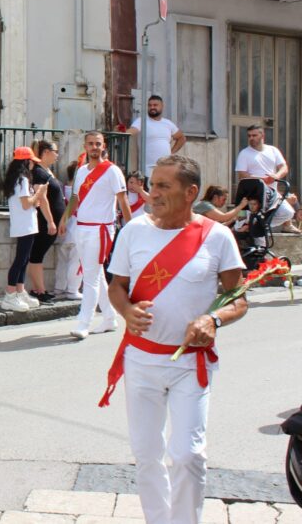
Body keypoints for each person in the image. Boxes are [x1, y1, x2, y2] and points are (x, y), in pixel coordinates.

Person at [103, 155, 246, 524]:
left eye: (164, 186)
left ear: (190, 192)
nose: (153, 194)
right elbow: (117, 286)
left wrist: (212, 318)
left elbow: (239, 299)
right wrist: (126, 311)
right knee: (148, 454)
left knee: (187, 454)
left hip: (190, 364)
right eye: (152, 184)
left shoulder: (217, 237)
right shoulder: (134, 230)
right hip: (141, 361)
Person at [59, 131, 133, 340]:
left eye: (97, 144)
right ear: (85, 146)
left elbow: (123, 199)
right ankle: (109, 318)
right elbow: (75, 198)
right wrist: (64, 218)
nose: (94, 147)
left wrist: (130, 227)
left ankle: (84, 323)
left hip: (101, 229)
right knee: (96, 273)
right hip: (81, 227)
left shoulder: (112, 171)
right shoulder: (82, 171)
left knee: (89, 277)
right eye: (90, 144)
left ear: (103, 146)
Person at [2, 147, 49, 312]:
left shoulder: (18, 179)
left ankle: (19, 291)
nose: (33, 166)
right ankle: (10, 294)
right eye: (31, 162)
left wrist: (35, 198)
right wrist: (40, 193)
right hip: (24, 224)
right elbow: (26, 203)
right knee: (20, 260)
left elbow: (27, 203)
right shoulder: (22, 180)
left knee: (23, 259)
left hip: (25, 223)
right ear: (26, 161)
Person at [234, 124, 294, 230]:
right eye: (249, 136)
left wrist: (276, 176)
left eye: (254, 135)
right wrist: (262, 181)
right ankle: (254, 226)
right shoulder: (244, 153)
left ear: (262, 136)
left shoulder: (273, 150)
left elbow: (284, 167)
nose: (251, 138)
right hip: (254, 194)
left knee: (288, 212)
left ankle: (257, 226)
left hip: (272, 193)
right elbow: (242, 174)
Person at [27, 140, 65, 303]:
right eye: (55, 151)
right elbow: (42, 199)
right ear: (46, 152)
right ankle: (39, 291)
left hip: (51, 222)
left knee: (38, 254)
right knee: (36, 255)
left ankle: (39, 289)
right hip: (43, 222)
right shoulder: (39, 173)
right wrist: (51, 221)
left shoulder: (46, 171)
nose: (57, 155)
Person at [127, 95, 186, 178]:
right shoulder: (142, 121)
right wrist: (122, 132)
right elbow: (131, 131)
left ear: (162, 106)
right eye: (150, 105)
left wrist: (171, 153)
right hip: (148, 167)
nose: (152, 107)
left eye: (155, 105)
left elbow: (181, 138)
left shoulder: (168, 123)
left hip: (166, 166)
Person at [52, 161, 82, 301]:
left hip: (63, 230)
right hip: (76, 228)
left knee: (62, 261)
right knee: (76, 261)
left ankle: (59, 287)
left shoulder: (61, 189)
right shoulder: (79, 192)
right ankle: (72, 290)